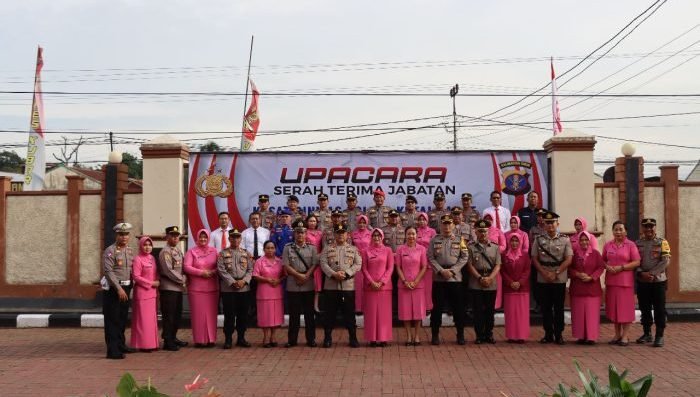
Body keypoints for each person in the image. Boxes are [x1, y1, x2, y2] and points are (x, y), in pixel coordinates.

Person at [531, 211, 573, 345]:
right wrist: (543, 272)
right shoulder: (538, 239)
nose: (550, 226)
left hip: (558, 277)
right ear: (544, 224)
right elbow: (534, 258)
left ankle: (559, 334)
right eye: (547, 223)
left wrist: (556, 272)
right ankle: (548, 333)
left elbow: (569, 259)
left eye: (552, 223)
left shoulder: (565, 239)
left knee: (559, 308)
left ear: (557, 224)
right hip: (543, 277)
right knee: (546, 308)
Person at [429, 214, 469, 345]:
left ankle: (460, 334)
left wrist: (453, 271)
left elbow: (464, 257)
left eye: (449, 223)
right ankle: (435, 335)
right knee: (437, 308)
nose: (446, 226)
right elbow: (430, 257)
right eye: (444, 224)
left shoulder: (459, 239)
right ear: (440, 225)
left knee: (458, 308)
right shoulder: (434, 240)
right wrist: (441, 270)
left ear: (452, 225)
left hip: (455, 278)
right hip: (439, 278)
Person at [320, 224, 362, 348]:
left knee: (349, 314)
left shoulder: (353, 249)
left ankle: (353, 338)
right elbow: (323, 263)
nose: (340, 235)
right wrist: (334, 274)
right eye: (338, 233)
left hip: (348, 286)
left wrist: (347, 273)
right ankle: (327, 338)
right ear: (334, 234)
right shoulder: (327, 249)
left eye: (343, 233)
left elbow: (358, 264)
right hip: (331, 286)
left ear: (347, 235)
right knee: (329, 315)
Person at [603, 220, 641, 346]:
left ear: (625, 232)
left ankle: (625, 336)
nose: (618, 232)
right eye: (616, 229)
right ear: (612, 231)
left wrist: (622, 267)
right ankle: (617, 334)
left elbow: (637, 262)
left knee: (625, 310)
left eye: (621, 229)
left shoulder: (631, 245)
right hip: (611, 282)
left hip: (625, 283)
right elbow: (602, 261)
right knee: (614, 309)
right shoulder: (608, 245)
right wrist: (606, 266)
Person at [283, 220, 320, 347]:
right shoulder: (288, 248)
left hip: (308, 283)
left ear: (306, 234)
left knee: (309, 315)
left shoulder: (312, 248)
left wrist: (306, 275)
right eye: (298, 233)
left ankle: (311, 339)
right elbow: (286, 265)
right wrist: (298, 275)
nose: (300, 235)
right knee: (294, 315)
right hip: (293, 283)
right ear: (294, 234)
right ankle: (292, 340)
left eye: (303, 233)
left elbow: (315, 264)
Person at [102, 222, 135, 359]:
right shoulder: (110, 251)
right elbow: (109, 271)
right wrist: (119, 288)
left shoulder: (129, 250)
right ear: (117, 235)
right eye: (121, 234)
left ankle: (121, 345)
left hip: (126, 288)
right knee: (112, 320)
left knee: (122, 319)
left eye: (126, 234)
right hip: (114, 290)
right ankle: (112, 350)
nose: (124, 237)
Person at [635, 218, 670, 347]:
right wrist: (641, 273)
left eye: (651, 226)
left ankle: (659, 335)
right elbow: (635, 260)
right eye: (646, 227)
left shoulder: (662, 242)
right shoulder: (637, 243)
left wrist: (651, 274)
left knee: (659, 309)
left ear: (655, 227)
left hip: (658, 281)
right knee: (644, 308)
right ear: (642, 228)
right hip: (642, 281)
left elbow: (665, 261)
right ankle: (647, 333)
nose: (648, 229)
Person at [217, 229, 253, 349]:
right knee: (229, 315)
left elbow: (250, 270)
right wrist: (232, 282)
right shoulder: (223, 253)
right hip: (229, 289)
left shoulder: (246, 253)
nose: (235, 239)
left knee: (243, 315)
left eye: (238, 237)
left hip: (244, 288)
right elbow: (221, 270)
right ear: (229, 239)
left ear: (240, 239)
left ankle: (241, 338)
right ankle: (228, 339)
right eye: (233, 237)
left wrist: (244, 281)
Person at [467, 220, 502, 344]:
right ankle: (479, 335)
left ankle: (489, 334)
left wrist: (490, 278)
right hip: (476, 282)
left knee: (489, 310)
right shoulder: (471, 247)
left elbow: (498, 265)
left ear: (488, 232)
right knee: (477, 311)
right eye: (480, 231)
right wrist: (479, 278)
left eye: (485, 231)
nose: (482, 233)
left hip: (491, 282)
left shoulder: (495, 247)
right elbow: (469, 265)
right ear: (476, 232)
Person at [184, 229, 219, 347]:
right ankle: (199, 340)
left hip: (212, 289)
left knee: (211, 315)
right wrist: (201, 273)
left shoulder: (214, 251)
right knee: (198, 315)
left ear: (208, 238)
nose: (203, 239)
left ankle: (211, 339)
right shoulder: (191, 252)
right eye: (201, 237)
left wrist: (212, 272)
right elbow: (186, 267)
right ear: (197, 238)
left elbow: (220, 267)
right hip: (196, 289)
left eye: (205, 237)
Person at [569, 231, 604, 345]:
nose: (584, 242)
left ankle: (591, 337)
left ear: (589, 241)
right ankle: (580, 336)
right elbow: (569, 269)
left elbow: (600, 267)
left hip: (592, 288)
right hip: (578, 288)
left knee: (591, 314)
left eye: (586, 240)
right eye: (581, 240)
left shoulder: (595, 253)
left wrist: (591, 277)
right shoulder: (574, 254)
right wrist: (578, 274)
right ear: (578, 241)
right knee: (578, 313)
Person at [361, 228, 394, 347]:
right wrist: (372, 282)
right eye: (374, 235)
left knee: (384, 314)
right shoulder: (365, 251)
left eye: (379, 235)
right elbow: (364, 268)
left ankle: (384, 338)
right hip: (370, 287)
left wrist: (382, 281)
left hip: (384, 287)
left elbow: (390, 268)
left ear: (382, 237)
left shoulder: (388, 250)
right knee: (371, 313)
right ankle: (372, 339)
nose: (376, 238)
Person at [395, 226, 428, 345]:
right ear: (405, 235)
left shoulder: (422, 249)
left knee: (418, 312)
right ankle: (409, 336)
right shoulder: (400, 249)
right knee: (406, 312)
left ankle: (417, 336)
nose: (411, 236)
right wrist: (404, 281)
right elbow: (398, 266)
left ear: (416, 235)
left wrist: (416, 281)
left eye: (413, 234)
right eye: (409, 234)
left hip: (418, 285)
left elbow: (424, 266)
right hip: (404, 285)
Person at [158, 226, 187, 351]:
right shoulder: (165, 252)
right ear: (167, 237)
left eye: (177, 235)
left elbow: (183, 266)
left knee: (177, 314)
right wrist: (183, 279)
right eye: (172, 235)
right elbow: (168, 271)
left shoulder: (178, 251)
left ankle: (173, 337)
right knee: (169, 315)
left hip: (178, 288)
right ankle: (168, 341)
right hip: (169, 288)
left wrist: (184, 277)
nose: (175, 238)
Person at [253, 241, 285, 347]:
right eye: (268, 248)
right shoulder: (259, 261)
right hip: (264, 291)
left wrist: (279, 280)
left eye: (272, 248)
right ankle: (266, 337)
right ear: (264, 249)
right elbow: (255, 275)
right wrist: (267, 280)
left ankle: (273, 336)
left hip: (276, 291)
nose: (270, 250)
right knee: (265, 315)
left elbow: (284, 275)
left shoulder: (280, 261)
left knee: (275, 315)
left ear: (275, 249)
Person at [130, 236, 160, 352]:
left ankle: (152, 343)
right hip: (142, 293)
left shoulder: (152, 258)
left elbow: (155, 272)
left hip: (152, 293)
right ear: (141, 246)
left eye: (149, 245)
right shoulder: (138, 259)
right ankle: (142, 345)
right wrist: (151, 283)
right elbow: (136, 276)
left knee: (151, 320)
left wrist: (157, 280)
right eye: (145, 245)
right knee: (142, 321)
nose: (147, 247)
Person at [500, 234, 531, 343]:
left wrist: (520, 282)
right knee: (511, 313)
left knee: (522, 314)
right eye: (512, 241)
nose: (514, 243)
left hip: (522, 289)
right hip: (509, 289)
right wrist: (510, 282)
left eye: (516, 241)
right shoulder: (504, 255)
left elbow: (527, 270)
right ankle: (512, 336)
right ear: (509, 242)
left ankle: (521, 336)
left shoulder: (525, 255)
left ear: (520, 242)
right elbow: (502, 271)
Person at [351, 214, 372, 313]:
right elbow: (349, 247)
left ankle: (368, 307)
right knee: (358, 285)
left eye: (364, 222)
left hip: (369, 261)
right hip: (356, 261)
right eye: (360, 222)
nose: (362, 224)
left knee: (368, 283)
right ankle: (358, 307)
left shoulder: (371, 234)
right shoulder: (353, 234)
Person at [415, 212, 436, 311]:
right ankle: (418, 307)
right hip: (416, 262)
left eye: (424, 219)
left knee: (428, 287)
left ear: (427, 221)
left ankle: (428, 307)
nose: (422, 221)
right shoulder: (415, 231)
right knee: (418, 286)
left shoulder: (432, 231)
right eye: (420, 219)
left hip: (428, 262)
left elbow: (435, 247)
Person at [304, 214, 325, 312]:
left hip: (318, 262)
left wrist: (320, 255)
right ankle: (306, 306)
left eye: (314, 221)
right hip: (306, 261)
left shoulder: (321, 233)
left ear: (317, 223)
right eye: (310, 221)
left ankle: (315, 306)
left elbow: (324, 246)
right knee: (307, 284)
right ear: (307, 222)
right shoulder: (304, 232)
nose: (312, 223)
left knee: (317, 285)